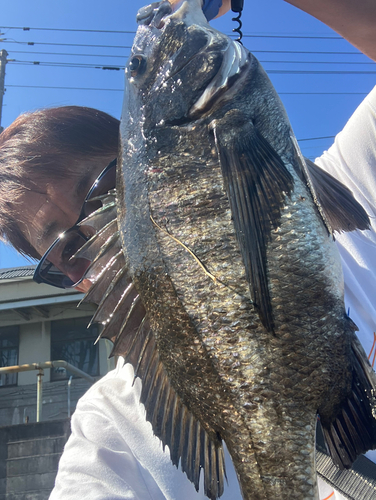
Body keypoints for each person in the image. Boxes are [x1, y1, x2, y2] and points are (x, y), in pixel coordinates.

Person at [0, 1, 375, 499]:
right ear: (71, 278)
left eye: (109, 186)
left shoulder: (334, 203)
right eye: (69, 250)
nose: (102, 238)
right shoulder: (108, 436)